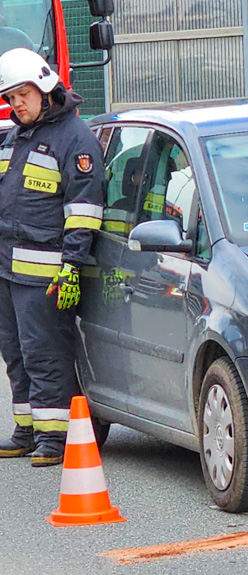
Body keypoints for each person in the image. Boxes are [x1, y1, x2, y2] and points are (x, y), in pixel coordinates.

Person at [0, 48, 104, 466]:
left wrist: (71, 266)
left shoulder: (75, 139)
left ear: (45, 88)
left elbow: (84, 210)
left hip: (45, 271)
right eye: (10, 97)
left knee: (45, 352)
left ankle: (54, 437)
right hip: (7, 268)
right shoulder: (15, 136)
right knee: (15, 352)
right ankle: (26, 428)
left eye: (22, 94)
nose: (16, 104)